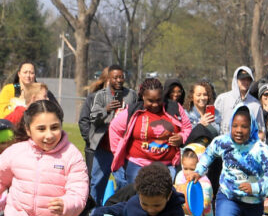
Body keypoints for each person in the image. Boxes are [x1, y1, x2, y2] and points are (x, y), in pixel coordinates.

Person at [110, 78, 191, 185]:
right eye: (150, 101)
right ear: (143, 97)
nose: (155, 104)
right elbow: (114, 128)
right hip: (137, 164)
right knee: (138, 197)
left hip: (166, 166)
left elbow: (187, 127)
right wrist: (118, 153)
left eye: (159, 100)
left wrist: (181, 137)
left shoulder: (174, 108)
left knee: (164, 198)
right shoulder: (133, 111)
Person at [89, 64, 137, 204]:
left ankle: (119, 210)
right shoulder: (101, 95)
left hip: (122, 149)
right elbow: (93, 118)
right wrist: (106, 109)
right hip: (104, 148)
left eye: (121, 77)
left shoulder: (131, 95)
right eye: (115, 77)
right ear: (109, 78)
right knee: (97, 183)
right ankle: (92, 213)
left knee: (124, 182)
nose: (119, 80)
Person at [214, 66, 265, 136]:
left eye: (248, 79)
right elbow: (214, 122)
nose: (245, 82)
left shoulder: (255, 104)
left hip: (247, 145)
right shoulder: (222, 99)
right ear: (236, 80)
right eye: (242, 79)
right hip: (224, 143)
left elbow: (260, 129)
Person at [79, 67, 109, 177]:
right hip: (94, 149)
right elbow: (84, 121)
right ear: (105, 80)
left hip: (114, 149)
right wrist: (92, 140)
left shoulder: (122, 100)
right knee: (93, 182)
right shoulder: (93, 98)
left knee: (122, 181)